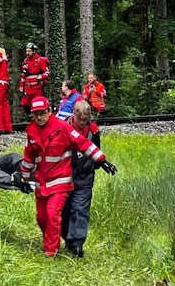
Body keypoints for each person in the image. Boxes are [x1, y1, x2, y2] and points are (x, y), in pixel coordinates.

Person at [20, 96, 117, 257]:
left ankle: (59, 248)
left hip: (66, 180)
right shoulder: (33, 132)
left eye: (42, 113)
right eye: (35, 114)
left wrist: (102, 160)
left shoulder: (68, 128)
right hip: (44, 181)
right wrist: (24, 178)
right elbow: (29, 157)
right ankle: (61, 239)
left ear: (49, 111)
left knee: (62, 212)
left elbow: (85, 144)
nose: (39, 117)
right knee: (45, 217)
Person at [61, 101, 115, 257]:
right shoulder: (62, 127)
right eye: (80, 120)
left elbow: (96, 149)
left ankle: (77, 243)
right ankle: (67, 239)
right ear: (74, 116)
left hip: (85, 177)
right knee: (64, 212)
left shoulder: (93, 130)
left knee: (80, 210)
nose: (82, 124)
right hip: (64, 176)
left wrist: (100, 164)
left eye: (85, 121)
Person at [19, 42, 50, 114]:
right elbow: (23, 75)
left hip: (37, 88)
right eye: (27, 51)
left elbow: (47, 73)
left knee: (37, 105)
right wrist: (21, 86)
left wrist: (41, 77)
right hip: (28, 89)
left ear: (34, 51)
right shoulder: (25, 61)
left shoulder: (41, 60)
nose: (27, 53)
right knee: (25, 106)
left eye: (29, 51)